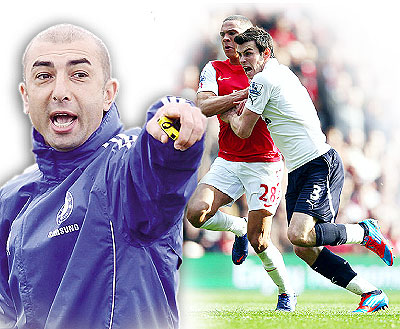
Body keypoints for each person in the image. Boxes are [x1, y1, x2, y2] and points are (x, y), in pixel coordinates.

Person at [0, 24, 206, 329]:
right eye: (44, 76)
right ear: (25, 96)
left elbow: (158, 173)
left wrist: (173, 127)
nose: (59, 92)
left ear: (108, 94)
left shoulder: (123, 168)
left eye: (79, 75)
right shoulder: (11, 199)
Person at [221, 26, 394, 313]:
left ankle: (365, 232)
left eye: (249, 53)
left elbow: (241, 130)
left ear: (266, 53)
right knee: (303, 245)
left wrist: (224, 111)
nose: (243, 61)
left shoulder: (265, 79)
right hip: (299, 170)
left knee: (300, 234)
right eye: (240, 55)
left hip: (319, 163)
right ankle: (370, 292)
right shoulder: (279, 73)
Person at [186, 15, 296, 311]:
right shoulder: (215, 68)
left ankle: (287, 292)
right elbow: (204, 106)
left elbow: (238, 117)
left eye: (232, 33)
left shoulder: (267, 71)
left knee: (260, 241)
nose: (225, 39)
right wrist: (238, 96)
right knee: (196, 213)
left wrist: (229, 103)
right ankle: (239, 228)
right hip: (228, 159)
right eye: (222, 34)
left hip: (264, 162)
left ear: (250, 37)